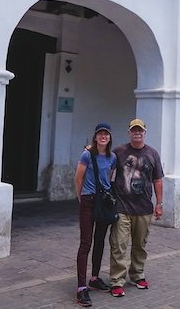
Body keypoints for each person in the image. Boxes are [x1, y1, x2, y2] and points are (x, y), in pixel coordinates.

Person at [108, 118, 164, 298]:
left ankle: (137, 274)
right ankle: (117, 281)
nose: (137, 133)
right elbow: (107, 169)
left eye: (140, 130)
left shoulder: (152, 154)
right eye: (134, 130)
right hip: (122, 206)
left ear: (145, 133)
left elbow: (157, 180)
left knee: (140, 245)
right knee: (119, 245)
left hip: (144, 208)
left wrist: (159, 204)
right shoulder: (119, 152)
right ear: (129, 132)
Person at [73, 123, 117, 307]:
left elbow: (111, 176)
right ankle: (81, 287)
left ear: (109, 137)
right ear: (96, 136)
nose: (103, 137)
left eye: (106, 134)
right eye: (100, 134)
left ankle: (95, 277)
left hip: (103, 202)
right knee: (86, 243)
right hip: (89, 200)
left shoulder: (112, 157)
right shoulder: (87, 155)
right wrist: (81, 198)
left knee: (100, 241)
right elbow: (78, 178)